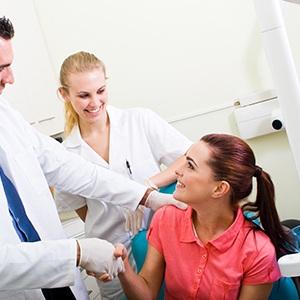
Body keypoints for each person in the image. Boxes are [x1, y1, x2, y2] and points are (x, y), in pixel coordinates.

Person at [0, 16, 187, 300]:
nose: (11, 78)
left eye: (9, 65)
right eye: (1, 67)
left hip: (62, 282)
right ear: (65, 95)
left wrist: (145, 195)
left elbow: (70, 169)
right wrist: (79, 251)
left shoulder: (6, 116)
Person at [54, 51, 193, 300]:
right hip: (113, 256)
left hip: (162, 244)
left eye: (101, 91)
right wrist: (114, 215)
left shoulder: (139, 120)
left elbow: (188, 157)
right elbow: (84, 211)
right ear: (64, 95)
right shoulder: (66, 154)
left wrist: (147, 188)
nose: (95, 102)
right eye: (84, 95)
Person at [112, 133, 291, 300]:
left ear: (219, 188)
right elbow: (147, 294)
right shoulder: (166, 218)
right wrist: (123, 268)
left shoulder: (258, 251)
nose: (177, 171)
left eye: (190, 165)